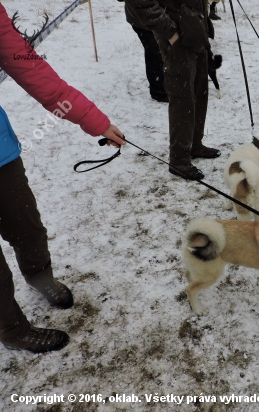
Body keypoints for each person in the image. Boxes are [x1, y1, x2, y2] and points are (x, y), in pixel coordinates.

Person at [0, 3, 125, 353]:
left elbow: (35, 73)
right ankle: (12, 329)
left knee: (27, 228)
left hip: (0, 155)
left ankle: (40, 278)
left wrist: (94, 121)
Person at [125, 0, 220, 180]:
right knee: (182, 98)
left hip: (195, 29)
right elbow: (139, 3)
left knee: (200, 90)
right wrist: (170, 32)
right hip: (177, 35)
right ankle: (179, 159)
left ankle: (194, 144)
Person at [122, 0, 168, 103]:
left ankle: (163, 84)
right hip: (144, 17)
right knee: (154, 51)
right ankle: (159, 91)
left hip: (155, 15)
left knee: (157, 50)